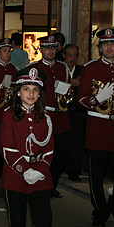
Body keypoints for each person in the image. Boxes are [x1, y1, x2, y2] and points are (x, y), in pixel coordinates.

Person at [0, 66, 57, 227]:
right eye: (26, 89)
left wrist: (40, 169)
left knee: (44, 221)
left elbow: (49, 146)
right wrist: (25, 170)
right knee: (18, 221)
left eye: (35, 89)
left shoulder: (46, 116)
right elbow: (7, 147)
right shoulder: (8, 115)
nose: (31, 93)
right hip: (16, 175)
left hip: (41, 175)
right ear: (18, 92)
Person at [78, 28, 114, 227]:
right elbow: (81, 100)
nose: (109, 47)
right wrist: (96, 99)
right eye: (105, 44)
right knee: (96, 176)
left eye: (113, 44)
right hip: (98, 129)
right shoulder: (90, 68)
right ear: (100, 48)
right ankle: (100, 212)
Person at [28, 35, 71, 198]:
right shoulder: (34, 67)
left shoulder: (63, 68)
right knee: (42, 152)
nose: (50, 51)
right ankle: (40, 184)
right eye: (47, 48)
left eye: (53, 48)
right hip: (43, 114)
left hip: (61, 116)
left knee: (61, 154)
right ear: (41, 50)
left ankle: (52, 183)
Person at [0, 38, 18, 179]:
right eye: (4, 51)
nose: (7, 54)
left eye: (9, 51)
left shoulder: (13, 69)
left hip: (10, 110)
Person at [63, 43, 85, 181]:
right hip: (63, 110)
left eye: (75, 56)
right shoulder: (59, 69)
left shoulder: (83, 71)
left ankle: (74, 170)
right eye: (70, 55)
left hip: (77, 111)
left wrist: (80, 84)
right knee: (63, 141)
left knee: (77, 141)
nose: (72, 58)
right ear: (64, 56)